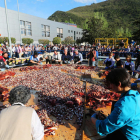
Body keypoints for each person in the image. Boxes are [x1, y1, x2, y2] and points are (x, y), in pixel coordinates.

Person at [91, 68, 140, 140]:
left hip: (129, 136)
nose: (110, 86)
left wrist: (93, 118)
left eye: (111, 84)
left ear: (119, 84)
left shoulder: (124, 105)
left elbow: (105, 127)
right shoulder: (135, 93)